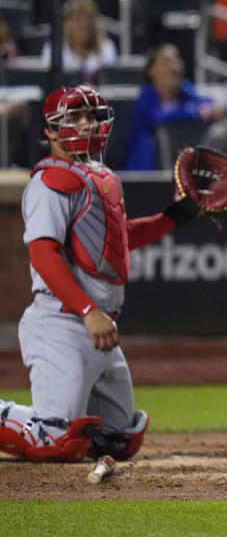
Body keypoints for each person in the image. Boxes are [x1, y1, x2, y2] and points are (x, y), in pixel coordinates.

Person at [0, 85, 201, 463]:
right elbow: (43, 254)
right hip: (62, 322)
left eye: (90, 116)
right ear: (50, 131)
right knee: (54, 440)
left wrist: (176, 217)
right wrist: (88, 308)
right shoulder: (50, 182)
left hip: (99, 327)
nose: (85, 124)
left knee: (120, 438)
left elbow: (119, 241)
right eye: (73, 117)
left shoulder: (100, 176)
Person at [125, 43, 223, 170]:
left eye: (177, 60)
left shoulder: (185, 90)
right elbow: (159, 115)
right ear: (151, 71)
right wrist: (198, 113)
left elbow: (210, 104)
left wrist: (213, 109)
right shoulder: (146, 97)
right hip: (146, 172)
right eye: (166, 62)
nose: (173, 67)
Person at [40, 0, 118, 82]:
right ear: (67, 24)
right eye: (78, 19)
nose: (85, 24)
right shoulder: (54, 49)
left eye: (89, 19)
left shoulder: (106, 47)